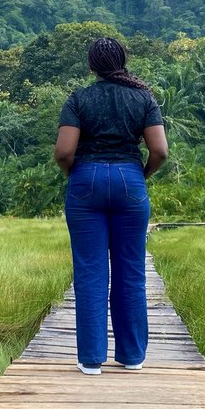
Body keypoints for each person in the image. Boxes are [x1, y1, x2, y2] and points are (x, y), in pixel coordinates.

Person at [54, 37, 168, 375]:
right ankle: (132, 357)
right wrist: (140, 175)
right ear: (123, 61)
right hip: (130, 181)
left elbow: (63, 152)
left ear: (92, 66)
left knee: (90, 271)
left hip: (85, 180)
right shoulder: (143, 98)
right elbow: (160, 151)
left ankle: (91, 360)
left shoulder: (79, 98)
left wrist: (73, 174)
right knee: (130, 271)